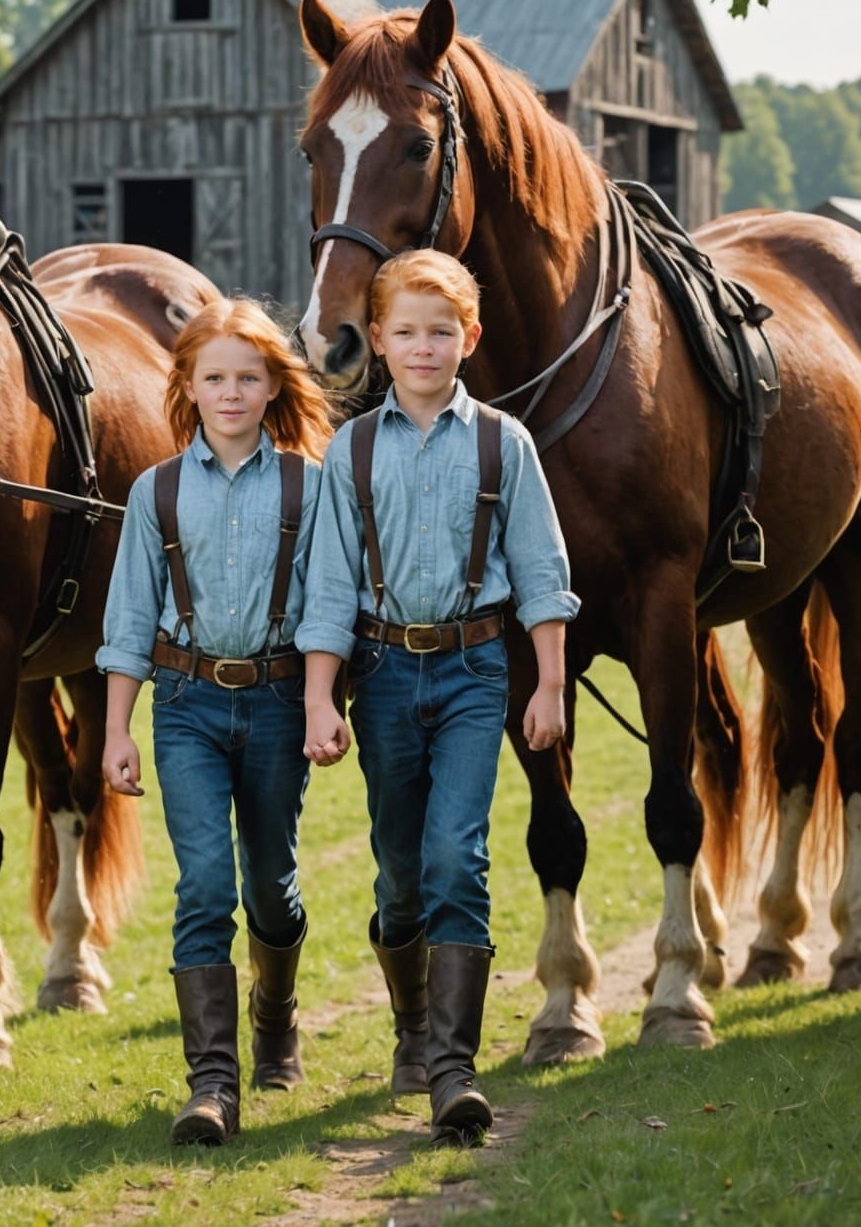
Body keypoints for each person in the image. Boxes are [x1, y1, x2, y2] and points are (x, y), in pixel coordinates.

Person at [296, 249, 579, 1145]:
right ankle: (413, 1031)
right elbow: (330, 587)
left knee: (460, 855)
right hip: (381, 676)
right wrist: (319, 700)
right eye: (407, 332)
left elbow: (541, 571)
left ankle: (454, 1070)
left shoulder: (506, 442)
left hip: (473, 671)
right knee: (400, 873)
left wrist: (549, 682)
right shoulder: (354, 449)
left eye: (442, 331)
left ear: (471, 339)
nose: (424, 348)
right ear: (377, 340)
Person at [100, 298, 335, 1147]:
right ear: (189, 387)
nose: (230, 393)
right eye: (214, 378)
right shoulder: (154, 493)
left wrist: (317, 702)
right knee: (203, 884)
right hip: (187, 707)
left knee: (270, 885)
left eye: (248, 377)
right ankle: (212, 1086)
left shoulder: (313, 488)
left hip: (275, 704)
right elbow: (128, 623)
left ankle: (276, 1017)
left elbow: (328, 610)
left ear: (274, 386)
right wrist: (117, 730)